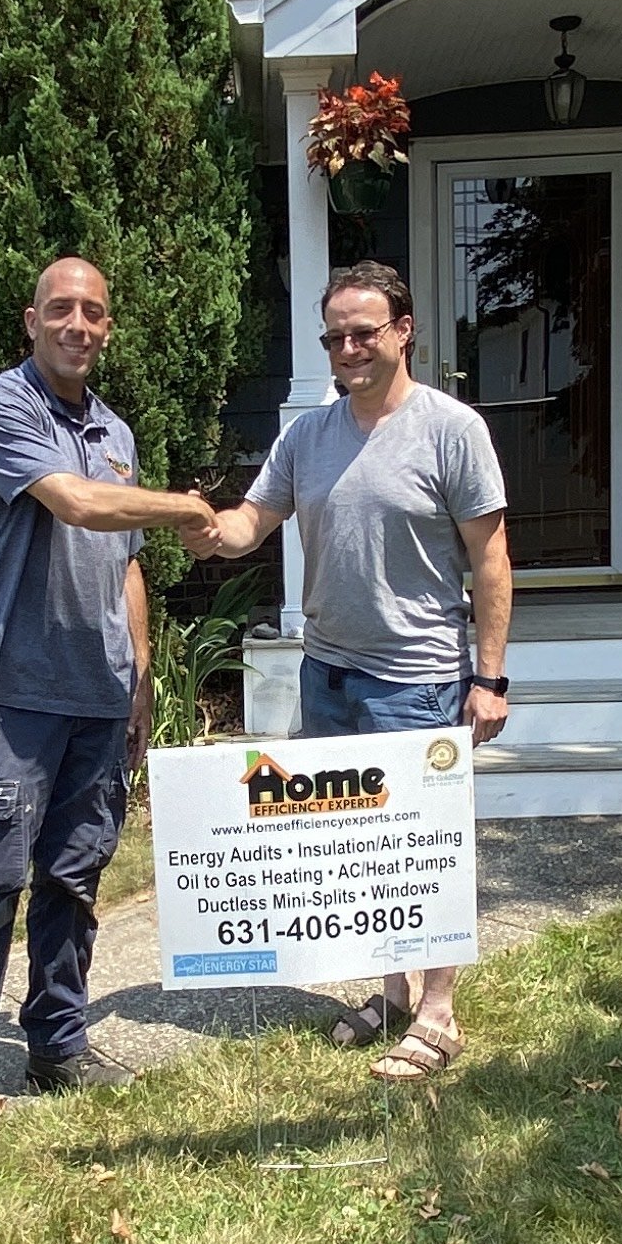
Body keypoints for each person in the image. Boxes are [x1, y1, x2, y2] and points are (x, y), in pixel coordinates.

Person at [179, 260, 511, 1082]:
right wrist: (207, 529)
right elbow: (252, 521)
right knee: (355, 845)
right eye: (334, 338)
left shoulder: (451, 429)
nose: (347, 349)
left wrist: (489, 677)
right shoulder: (308, 436)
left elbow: (490, 558)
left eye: (363, 332)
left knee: (421, 849)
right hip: (326, 671)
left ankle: (438, 1011)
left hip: (418, 676)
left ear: (403, 331)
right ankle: (392, 993)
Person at [0, 256, 222, 1142]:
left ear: (107, 327)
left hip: (97, 695)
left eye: (93, 311)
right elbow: (80, 506)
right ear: (32, 320)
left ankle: (56, 1043)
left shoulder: (114, 430)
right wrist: (187, 507)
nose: (77, 325)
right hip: (11, 694)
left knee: (74, 877)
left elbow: (122, 561)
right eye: (61, 309)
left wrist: (140, 672)